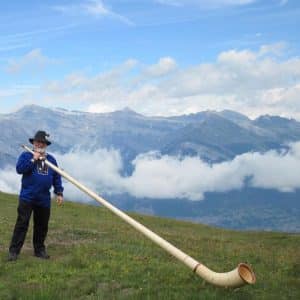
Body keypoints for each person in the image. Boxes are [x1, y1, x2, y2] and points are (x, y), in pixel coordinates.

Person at [8, 130, 64, 261]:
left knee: (42, 226)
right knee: (22, 224)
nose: (40, 144)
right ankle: (14, 252)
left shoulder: (51, 160)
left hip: (44, 199)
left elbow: (56, 176)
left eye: (43, 143)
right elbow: (19, 169)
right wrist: (34, 159)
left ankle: (39, 250)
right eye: (38, 142)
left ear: (46, 145)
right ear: (33, 143)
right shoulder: (26, 155)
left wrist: (59, 192)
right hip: (27, 197)